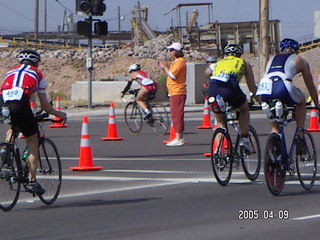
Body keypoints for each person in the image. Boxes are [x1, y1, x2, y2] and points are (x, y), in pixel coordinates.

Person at [0, 49, 67, 195]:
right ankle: (31, 181)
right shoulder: (38, 74)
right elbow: (45, 106)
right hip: (20, 102)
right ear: (36, 62)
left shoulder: (11, 71)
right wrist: (58, 113)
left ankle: (6, 150)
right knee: (32, 141)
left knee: (13, 125)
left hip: (3, 102)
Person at [256, 38, 320, 153]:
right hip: (283, 85)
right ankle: (300, 134)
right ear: (296, 50)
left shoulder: (272, 59)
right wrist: (317, 104)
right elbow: (310, 85)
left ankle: (274, 138)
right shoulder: (299, 59)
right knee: (301, 101)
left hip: (264, 88)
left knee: (275, 119)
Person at [207, 43, 258, 152]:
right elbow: (252, 87)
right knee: (244, 109)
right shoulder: (243, 63)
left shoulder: (218, 63)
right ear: (239, 54)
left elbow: (207, 72)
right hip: (230, 87)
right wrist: (260, 101)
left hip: (213, 88)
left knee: (220, 123)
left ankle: (218, 152)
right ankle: (244, 140)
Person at [158, 42, 187, 147]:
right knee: (175, 114)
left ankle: (179, 137)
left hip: (177, 91)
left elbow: (173, 75)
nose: (170, 52)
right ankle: (178, 136)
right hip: (174, 91)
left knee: (177, 115)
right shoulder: (176, 62)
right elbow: (170, 74)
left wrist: (165, 67)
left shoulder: (180, 61)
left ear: (176, 51)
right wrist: (165, 68)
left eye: (171, 50)